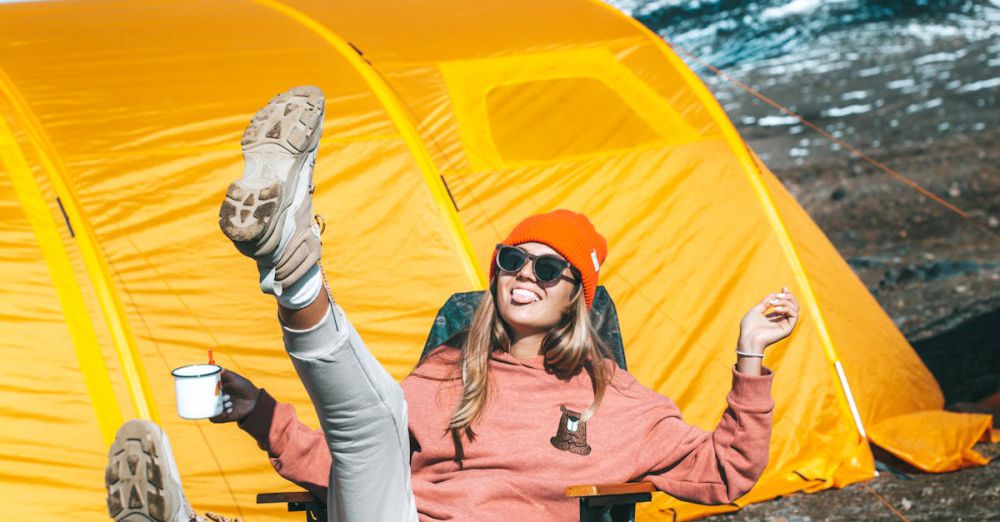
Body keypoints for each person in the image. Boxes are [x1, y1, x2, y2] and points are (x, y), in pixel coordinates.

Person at [107, 85, 800, 521]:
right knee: (376, 419)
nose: (524, 274)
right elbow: (351, 461)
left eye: (550, 269)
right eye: (512, 259)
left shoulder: (615, 402)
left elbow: (723, 472)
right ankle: (292, 268)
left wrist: (748, 355)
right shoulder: (446, 372)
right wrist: (256, 411)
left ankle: (294, 276)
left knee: (375, 418)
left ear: (575, 300)